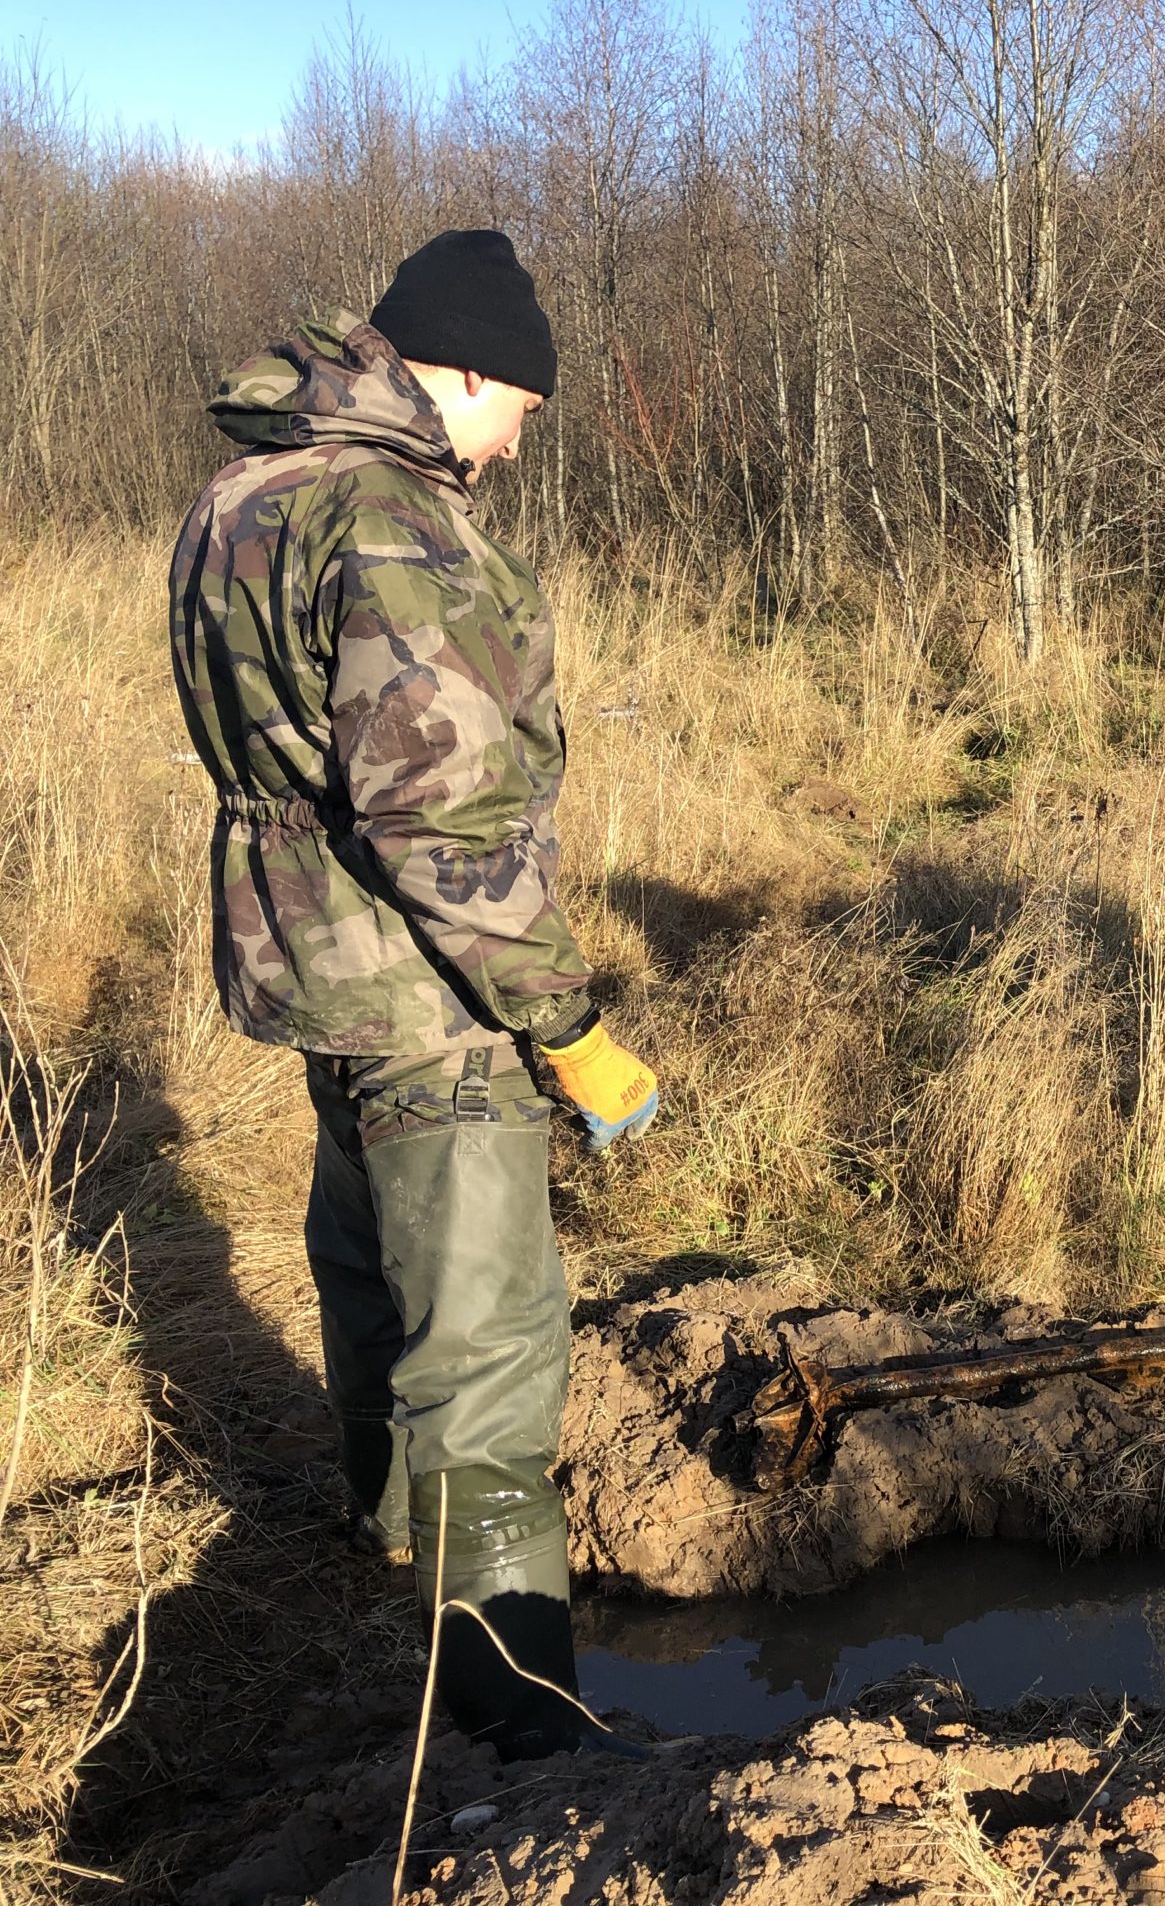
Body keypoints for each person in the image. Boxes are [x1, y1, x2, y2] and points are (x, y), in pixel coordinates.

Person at [168, 230, 661, 1758]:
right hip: (433, 994)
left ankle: (391, 1542)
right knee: (492, 1349)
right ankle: (521, 1736)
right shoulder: (391, 523)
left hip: (315, 972)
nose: (518, 438)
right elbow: (436, 821)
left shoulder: (245, 496)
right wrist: (566, 1026)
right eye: (517, 402)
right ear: (458, 368)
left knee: (370, 1267)